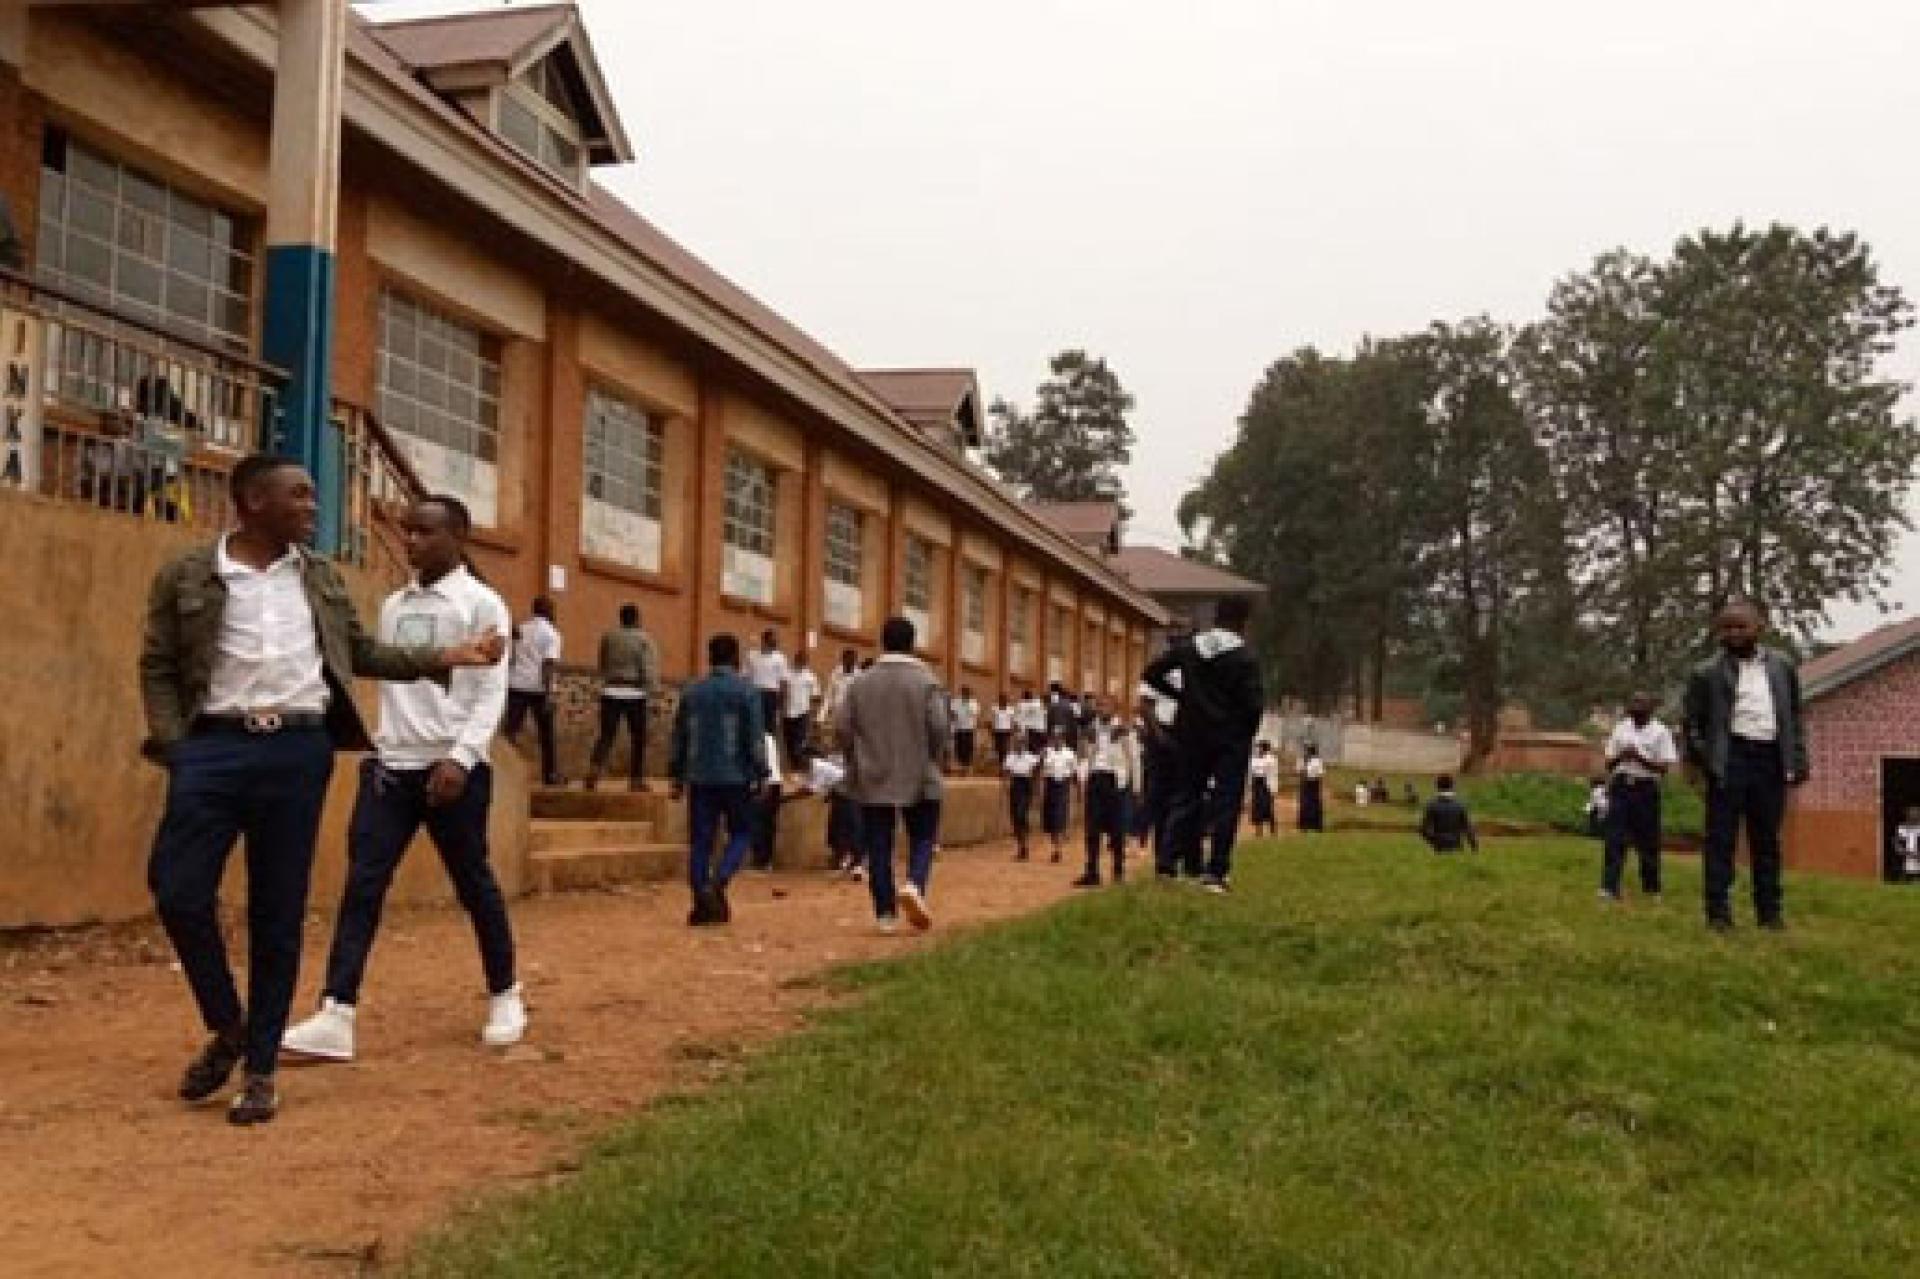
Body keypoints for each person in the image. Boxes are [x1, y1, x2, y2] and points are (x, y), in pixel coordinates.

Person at [139, 455, 503, 1125]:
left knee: (278, 909)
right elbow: (158, 665)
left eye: (313, 492)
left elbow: (362, 653)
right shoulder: (189, 574)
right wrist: (178, 748)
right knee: (177, 887)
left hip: (296, 752)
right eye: (299, 494)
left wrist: (449, 657)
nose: (314, 504)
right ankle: (230, 1025)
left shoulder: (321, 578)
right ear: (252, 500)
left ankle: (261, 1069)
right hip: (212, 749)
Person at [282, 495, 524, 1065]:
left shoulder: (482, 603)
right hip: (393, 769)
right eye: (408, 531)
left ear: (458, 538)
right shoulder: (394, 605)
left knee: (474, 884)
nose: (412, 541)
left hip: (452, 771)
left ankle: (505, 993)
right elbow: (394, 678)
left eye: (425, 532)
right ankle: (336, 1012)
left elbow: (491, 691)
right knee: (363, 885)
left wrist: (462, 758)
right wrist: (387, 748)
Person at [1683, 600, 1809, 932]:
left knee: (1766, 840)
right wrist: (1707, 759)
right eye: (1727, 627)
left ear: (1760, 627)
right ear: (1717, 632)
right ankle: (1718, 913)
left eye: (1741, 626)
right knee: (1721, 840)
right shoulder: (1705, 672)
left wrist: (1796, 758)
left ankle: (1769, 914)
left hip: (1770, 758)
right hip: (1729, 758)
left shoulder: (1782, 666)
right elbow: (1692, 724)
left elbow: (1794, 716)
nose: (1734, 633)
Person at [1142, 596, 1265, 893]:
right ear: (1243, 623)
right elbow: (1253, 705)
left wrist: (1181, 696)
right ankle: (1215, 872)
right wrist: (1245, 733)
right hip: (1229, 738)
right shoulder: (1244, 657)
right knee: (1225, 803)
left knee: (1185, 796)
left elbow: (1151, 673)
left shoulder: (1190, 648)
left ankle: (1167, 864)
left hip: (1192, 733)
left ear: (1215, 617)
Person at [838, 616, 948, 933]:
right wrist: (931, 756)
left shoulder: (860, 682)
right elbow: (939, 726)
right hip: (918, 770)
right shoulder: (927, 681)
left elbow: (843, 726)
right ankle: (914, 882)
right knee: (924, 835)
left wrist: (854, 757)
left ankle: (885, 912)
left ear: (882, 642)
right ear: (912, 644)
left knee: (878, 842)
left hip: (872, 769)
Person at [669, 633, 769, 926]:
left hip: (699, 776)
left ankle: (701, 896)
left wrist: (676, 774)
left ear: (710, 657)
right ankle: (719, 881)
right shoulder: (746, 692)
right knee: (741, 832)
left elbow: (680, 737)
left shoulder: (692, 692)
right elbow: (754, 738)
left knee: (701, 840)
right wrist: (762, 772)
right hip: (736, 776)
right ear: (736, 658)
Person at [1599, 692, 1678, 902]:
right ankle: (1609, 886)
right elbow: (1608, 762)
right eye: (1633, 702)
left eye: (1641, 702)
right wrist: (1621, 756)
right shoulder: (1621, 728)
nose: (1636, 706)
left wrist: (1640, 758)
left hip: (1646, 788)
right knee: (1615, 838)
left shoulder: (1661, 731)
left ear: (1651, 707)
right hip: (1622, 786)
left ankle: (1652, 888)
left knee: (1648, 840)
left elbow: (1664, 766)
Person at [585, 603, 658, 792]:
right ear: (636, 619)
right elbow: (647, 668)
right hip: (635, 692)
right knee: (638, 737)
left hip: (610, 690)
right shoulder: (644, 640)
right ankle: (635, 779)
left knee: (607, 735)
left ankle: (594, 768)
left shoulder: (608, 637)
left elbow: (602, 661)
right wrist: (652, 691)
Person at [1074, 715, 1141, 887]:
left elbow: (1133, 758)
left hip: (1115, 781)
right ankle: (1092, 872)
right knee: (1092, 829)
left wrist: (1136, 787)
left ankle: (1118, 871)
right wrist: (1083, 780)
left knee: (1117, 829)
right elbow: (1083, 757)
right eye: (1100, 705)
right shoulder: (1091, 729)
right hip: (1096, 778)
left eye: (1107, 705)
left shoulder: (1123, 731)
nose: (1103, 709)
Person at [504, 596, 562, 786]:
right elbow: (548, 664)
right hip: (538, 689)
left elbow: (510, 657)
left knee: (510, 732)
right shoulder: (551, 634)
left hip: (516, 685)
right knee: (546, 734)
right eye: (553, 609)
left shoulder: (520, 629)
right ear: (548, 611)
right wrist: (549, 693)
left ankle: (505, 773)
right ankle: (551, 775)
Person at [749, 727, 785, 873]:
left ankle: (761, 861)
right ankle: (766, 860)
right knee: (768, 824)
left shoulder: (757, 739)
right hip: (774, 783)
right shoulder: (769, 738)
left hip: (764, 782)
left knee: (758, 824)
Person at [1040, 729, 1079, 864]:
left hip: (1063, 786)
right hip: (1050, 785)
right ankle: (1055, 846)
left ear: (1063, 739)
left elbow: (1075, 773)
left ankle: (1058, 849)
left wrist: (1077, 790)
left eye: (1059, 737)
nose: (1057, 740)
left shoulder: (1069, 754)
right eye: (1055, 737)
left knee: (1059, 816)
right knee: (1051, 819)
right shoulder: (1046, 752)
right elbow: (1041, 770)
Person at [747, 629, 790, 740]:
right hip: (755, 693)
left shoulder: (780, 658)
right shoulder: (752, 656)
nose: (774, 644)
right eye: (772, 641)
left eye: (775, 642)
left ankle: (769, 752)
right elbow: (745, 677)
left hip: (771, 696)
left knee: (769, 729)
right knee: (753, 725)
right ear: (764, 640)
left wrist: (781, 705)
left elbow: (783, 682)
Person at [1420, 775, 1480, 854]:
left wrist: (1434, 841)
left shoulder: (1431, 805)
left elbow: (1425, 829)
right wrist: (1474, 847)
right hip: (1456, 846)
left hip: (1439, 847)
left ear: (1437, 786)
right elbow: (1468, 828)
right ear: (1452, 786)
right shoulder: (1460, 805)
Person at [1002, 737, 1040, 861]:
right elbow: (1006, 772)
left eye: (1021, 742)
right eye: (1017, 742)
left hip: (1025, 784)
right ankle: (1021, 846)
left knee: (1021, 814)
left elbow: (1036, 770)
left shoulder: (1030, 757)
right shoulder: (1010, 757)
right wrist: (1006, 784)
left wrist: (1035, 787)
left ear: (1024, 744)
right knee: (1015, 816)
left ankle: (1024, 845)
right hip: (1015, 785)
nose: (1018, 745)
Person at [782, 649, 820, 765]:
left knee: (799, 741)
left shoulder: (811, 677)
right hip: (787, 712)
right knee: (789, 740)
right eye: (798, 659)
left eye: (802, 660)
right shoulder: (787, 674)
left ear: (806, 662)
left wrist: (814, 714)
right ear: (795, 659)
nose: (800, 661)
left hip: (803, 713)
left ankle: (798, 764)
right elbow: (782, 692)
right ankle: (793, 762)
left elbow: (815, 696)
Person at [818, 648, 861, 748]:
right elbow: (828, 695)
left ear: (855, 661)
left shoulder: (859, 676)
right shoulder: (836, 673)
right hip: (835, 717)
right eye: (846, 659)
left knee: (848, 747)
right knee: (832, 745)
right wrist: (821, 716)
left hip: (851, 719)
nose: (849, 662)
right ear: (842, 659)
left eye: (852, 660)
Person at [1248, 740, 1279, 836]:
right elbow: (1252, 770)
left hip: (1266, 784)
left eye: (1260, 748)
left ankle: (1272, 828)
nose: (1258, 750)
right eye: (1258, 748)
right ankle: (1258, 830)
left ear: (1265, 748)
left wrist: (1273, 789)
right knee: (1257, 806)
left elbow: (1269, 772)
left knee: (1267, 806)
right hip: (1257, 783)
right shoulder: (1255, 759)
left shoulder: (1271, 759)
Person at [950, 685, 981, 772]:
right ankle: (961, 764)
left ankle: (967, 765)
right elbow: (952, 714)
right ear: (962, 693)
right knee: (959, 747)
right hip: (958, 728)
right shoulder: (956, 702)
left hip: (969, 728)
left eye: (967, 693)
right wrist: (952, 726)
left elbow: (976, 716)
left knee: (968, 747)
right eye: (964, 692)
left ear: (969, 694)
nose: (965, 694)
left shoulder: (973, 703)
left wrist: (976, 728)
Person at [1296, 744, 1325, 832]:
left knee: (1314, 805)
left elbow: (1320, 773)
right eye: (1306, 750)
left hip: (1314, 783)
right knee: (1304, 804)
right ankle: (1304, 826)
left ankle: (1316, 826)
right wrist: (1302, 769)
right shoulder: (1301, 760)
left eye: (1308, 750)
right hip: (1305, 783)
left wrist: (1316, 779)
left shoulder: (1317, 761)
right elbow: (1297, 771)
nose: (1307, 752)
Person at [1018, 687, 1048, 753]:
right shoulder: (1039, 703)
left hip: (1032, 730)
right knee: (1041, 749)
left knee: (1032, 750)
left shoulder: (1023, 705)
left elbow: (1022, 720)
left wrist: (1022, 733)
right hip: (1041, 729)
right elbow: (1044, 715)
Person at [1894, 806, 1920, 884]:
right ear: (1907, 815)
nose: (1914, 815)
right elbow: (1897, 845)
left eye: (1916, 813)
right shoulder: (1902, 828)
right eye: (1911, 813)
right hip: (1906, 861)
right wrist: (1907, 852)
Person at [989, 693, 1016, 764]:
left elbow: (1013, 720)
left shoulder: (1011, 710)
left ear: (1006, 701)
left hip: (1007, 731)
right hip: (997, 730)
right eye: (1001, 699)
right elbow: (992, 719)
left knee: (1005, 747)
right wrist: (991, 728)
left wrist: (1013, 728)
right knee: (998, 747)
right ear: (999, 700)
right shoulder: (995, 708)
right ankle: (1000, 762)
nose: (1003, 701)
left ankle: (1005, 762)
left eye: (1004, 699)